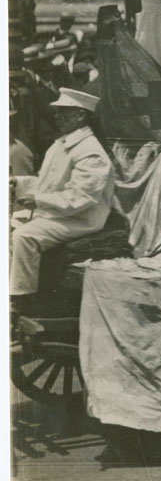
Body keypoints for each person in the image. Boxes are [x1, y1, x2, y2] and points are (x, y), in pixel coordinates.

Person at [10, 88, 114, 315]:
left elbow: (80, 197)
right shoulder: (61, 145)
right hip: (59, 213)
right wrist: (18, 183)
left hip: (81, 218)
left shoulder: (91, 153)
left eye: (63, 113)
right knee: (10, 228)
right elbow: (46, 183)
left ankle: (22, 299)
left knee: (24, 236)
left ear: (81, 116)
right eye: (57, 113)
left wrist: (38, 200)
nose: (56, 117)